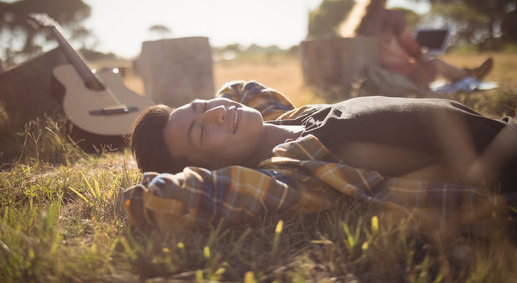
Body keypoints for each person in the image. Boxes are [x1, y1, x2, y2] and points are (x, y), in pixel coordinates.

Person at [125, 80, 517, 232]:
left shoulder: (287, 116)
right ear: (210, 167)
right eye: (200, 130)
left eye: (200, 104)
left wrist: (196, 116)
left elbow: (239, 89)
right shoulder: (297, 172)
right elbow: (163, 196)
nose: (215, 111)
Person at [338, 0, 493, 91]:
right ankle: (470, 75)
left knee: (428, 62)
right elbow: (413, 50)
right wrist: (422, 53)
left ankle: (468, 75)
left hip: (374, 75)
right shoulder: (391, 17)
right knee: (434, 62)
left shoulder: (359, 22)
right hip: (399, 75)